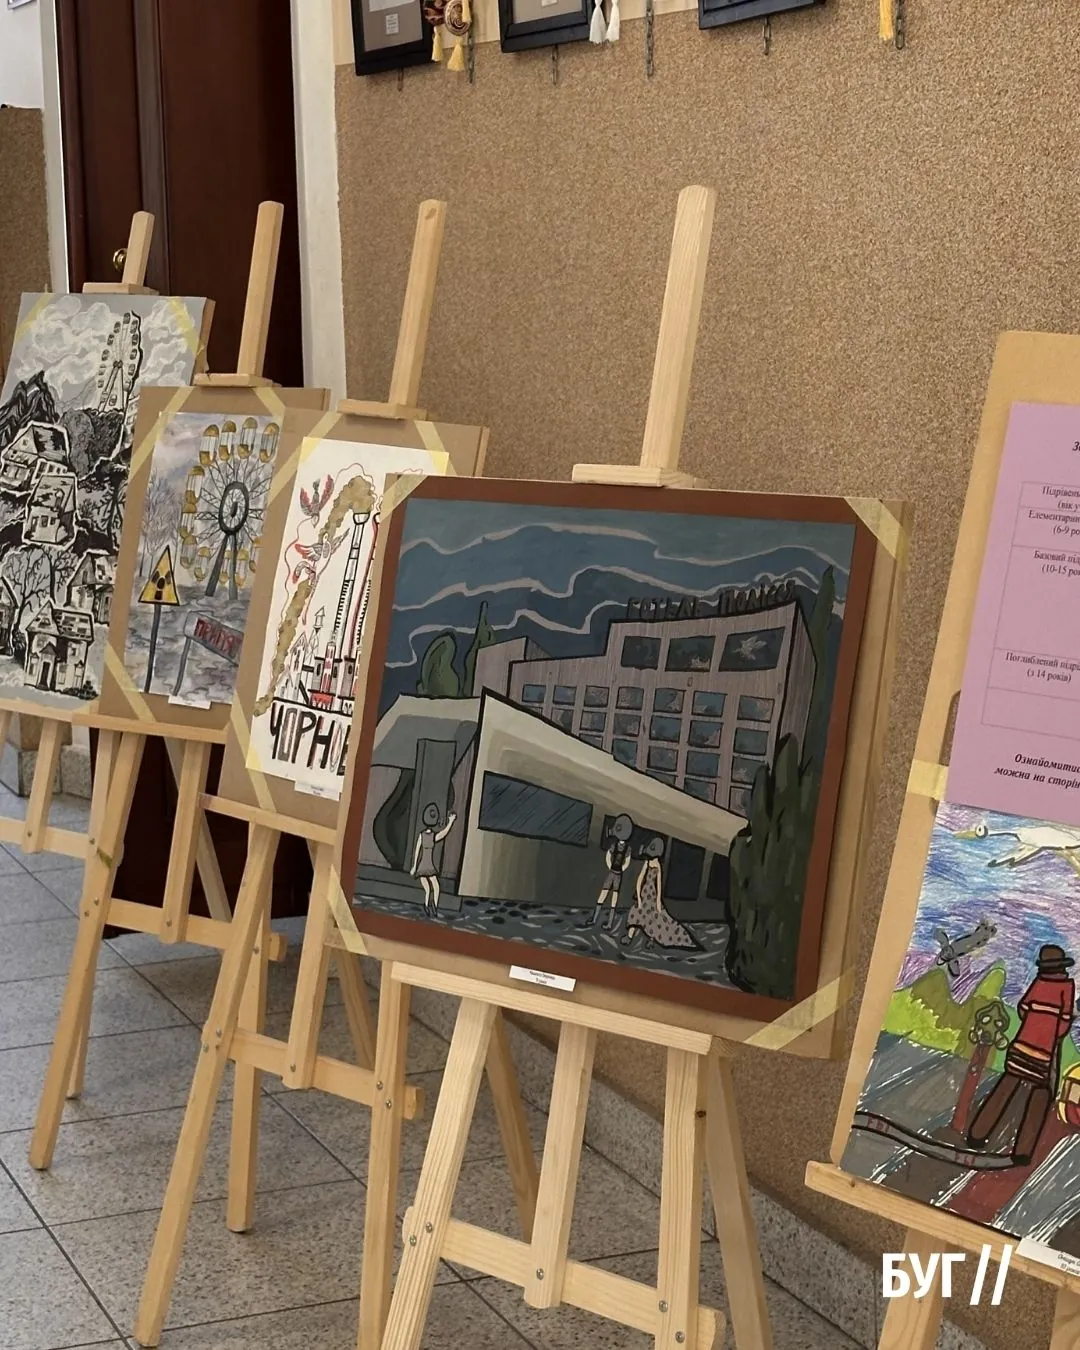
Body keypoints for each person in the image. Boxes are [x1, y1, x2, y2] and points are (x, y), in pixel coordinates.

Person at [966, 943, 1075, 1165]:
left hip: (1021, 1046)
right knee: (1040, 1096)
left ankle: (976, 1136)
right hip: (1044, 1054)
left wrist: (1034, 1025)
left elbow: (1023, 1008)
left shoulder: (1039, 982)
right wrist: (1051, 1032)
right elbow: (1064, 1023)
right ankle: (1023, 1152)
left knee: (1006, 1087)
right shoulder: (1067, 986)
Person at [622, 836, 697, 950]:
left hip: (652, 894)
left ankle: (652, 939)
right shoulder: (647, 862)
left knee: (654, 918)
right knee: (636, 912)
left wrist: (658, 900)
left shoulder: (658, 865)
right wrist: (639, 895)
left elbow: (659, 884)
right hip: (644, 893)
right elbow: (640, 878)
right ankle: (629, 936)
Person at [580, 814, 633, 931]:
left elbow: (626, 861)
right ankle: (595, 919)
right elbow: (609, 856)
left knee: (614, 898)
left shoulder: (627, 848)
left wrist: (620, 868)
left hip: (617, 874)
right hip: (613, 873)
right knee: (603, 894)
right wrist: (611, 866)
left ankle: (608, 923)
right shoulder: (615, 845)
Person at [410, 802, 457, 916]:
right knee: (435, 887)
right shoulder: (432, 837)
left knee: (428, 889)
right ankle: (433, 907)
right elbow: (443, 833)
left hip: (422, 866)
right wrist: (450, 822)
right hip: (429, 866)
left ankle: (428, 906)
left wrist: (415, 866)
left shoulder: (422, 835)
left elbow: (417, 851)